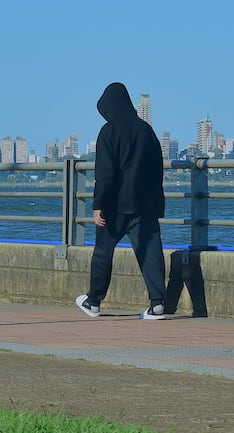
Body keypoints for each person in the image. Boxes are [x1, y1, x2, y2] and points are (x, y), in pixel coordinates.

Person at [75, 82, 167, 320]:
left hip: (115, 206)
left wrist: (98, 204)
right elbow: (157, 168)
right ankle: (157, 304)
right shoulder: (147, 130)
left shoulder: (109, 131)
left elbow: (105, 173)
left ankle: (93, 301)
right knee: (150, 252)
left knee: (103, 252)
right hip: (145, 204)